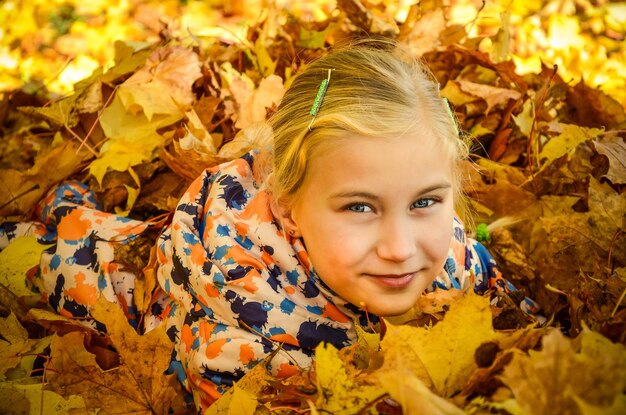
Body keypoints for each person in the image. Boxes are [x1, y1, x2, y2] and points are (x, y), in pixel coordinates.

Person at [0, 40, 539, 411]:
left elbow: (512, 313)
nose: (401, 249)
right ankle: (61, 211)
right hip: (117, 281)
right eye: (359, 208)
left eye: (424, 202)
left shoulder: (447, 254)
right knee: (56, 251)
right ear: (286, 205)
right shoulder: (244, 330)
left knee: (103, 222)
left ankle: (69, 202)